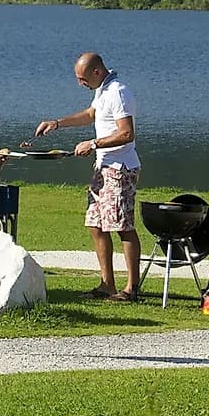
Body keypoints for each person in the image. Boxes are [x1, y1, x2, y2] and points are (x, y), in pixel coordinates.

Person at [36, 51, 142, 300]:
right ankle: (107, 284)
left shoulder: (118, 92)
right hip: (103, 167)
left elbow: (127, 134)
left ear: (96, 72)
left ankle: (132, 288)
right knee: (95, 224)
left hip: (120, 169)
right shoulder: (102, 90)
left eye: (82, 79)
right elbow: (91, 114)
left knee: (122, 226)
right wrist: (57, 123)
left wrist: (93, 144)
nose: (79, 83)